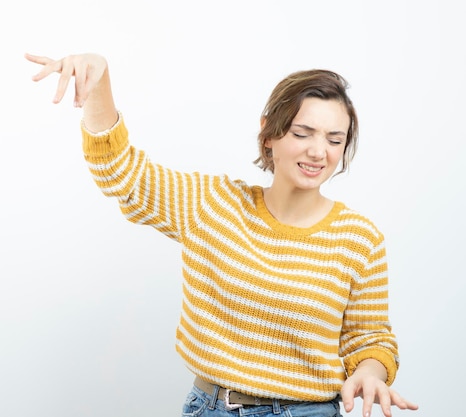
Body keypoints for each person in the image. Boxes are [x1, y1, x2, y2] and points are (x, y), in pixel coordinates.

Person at [25, 52, 419, 417]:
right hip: (210, 406)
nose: (320, 151)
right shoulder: (213, 205)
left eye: (335, 139)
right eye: (303, 133)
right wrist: (99, 83)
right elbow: (122, 174)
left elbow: (369, 338)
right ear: (269, 133)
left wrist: (371, 371)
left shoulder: (360, 238)